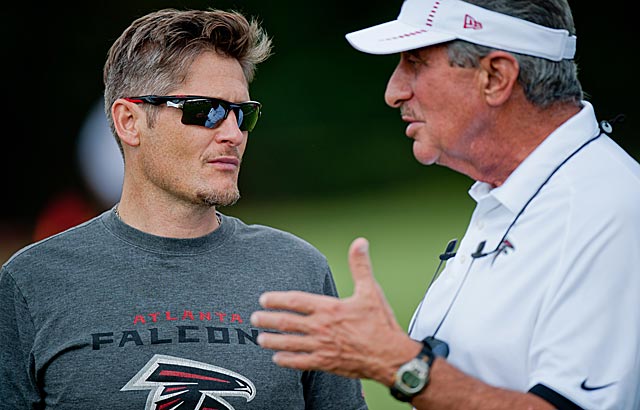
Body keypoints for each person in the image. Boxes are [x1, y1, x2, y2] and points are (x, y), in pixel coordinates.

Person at [250, 0, 640, 409]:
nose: (394, 92)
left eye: (415, 63)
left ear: (495, 77)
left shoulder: (607, 209)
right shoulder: (516, 194)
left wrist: (397, 362)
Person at [0, 8, 367, 410]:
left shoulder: (298, 271)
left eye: (244, 114)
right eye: (204, 111)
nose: (233, 135)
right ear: (130, 122)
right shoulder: (32, 282)